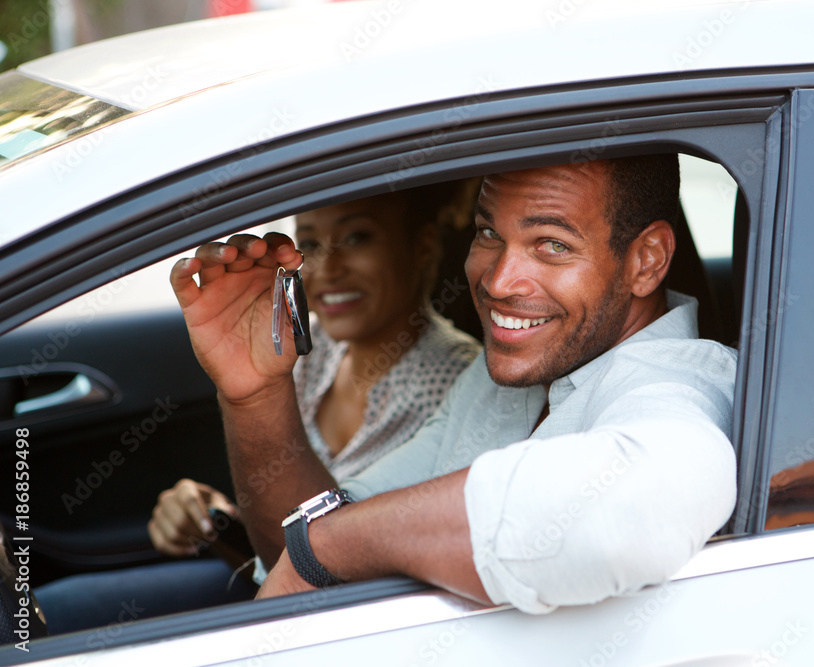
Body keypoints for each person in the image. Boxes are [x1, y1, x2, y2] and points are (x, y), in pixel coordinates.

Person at [175, 154, 737, 614]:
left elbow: (630, 514)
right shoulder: (500, 382)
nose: (497, 281)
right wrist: (255, 395)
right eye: (490, 233)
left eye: (551, 245)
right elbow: (308, 554)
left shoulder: (681, 384)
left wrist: (330, 543)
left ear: (647, 260)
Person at [35, 184, 481, 633]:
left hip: (349, 626)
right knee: (53, 611)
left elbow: (362, 575)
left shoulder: (460, 387)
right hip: (271, 584)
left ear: (422, 246)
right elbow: (287, 535)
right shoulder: (314, 348)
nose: (328, 268)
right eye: (308, 243)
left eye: (357, 238)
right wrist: (219, 517)